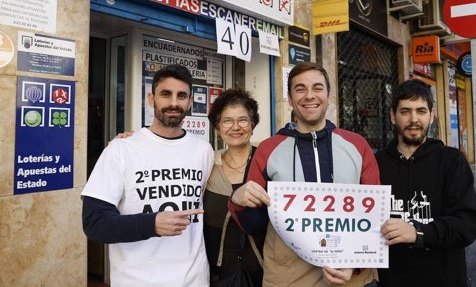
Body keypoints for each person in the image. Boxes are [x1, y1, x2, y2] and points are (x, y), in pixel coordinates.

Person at [228, 61, 380, 287]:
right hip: (289, 277)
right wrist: (238, 201)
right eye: (300, 89)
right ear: (289, 98)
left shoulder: (357, 145)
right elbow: (254, 225)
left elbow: (375, 215)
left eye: (317, 88)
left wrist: (356, 264)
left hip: (352, 277)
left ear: (329, 94)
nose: (310, 96)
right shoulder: (269, 150)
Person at [81, 64, 214, 287]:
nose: (174, 102)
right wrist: (151, 224)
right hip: (136, 280)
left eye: (181, 96)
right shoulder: (121, 149)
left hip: (194, 279)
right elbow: (94, 223)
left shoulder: (204, 150)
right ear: (151, 99)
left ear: (190, 102)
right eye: (165, 94)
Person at [377, 79, 476, 287]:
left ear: (431, 116)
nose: (414, 119)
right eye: (405, 111)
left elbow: (466, 225)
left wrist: (417, 232)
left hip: (443, 279)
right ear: (392, 116)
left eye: (421, 111)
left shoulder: (451, 161)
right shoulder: (376, 163)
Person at [204, 88, 264, 286]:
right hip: (217, 275)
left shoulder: (267, 162)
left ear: (253, 124)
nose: (235, 127)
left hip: (263, 273)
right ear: (218, 127)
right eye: (227, 121)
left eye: (243, 120)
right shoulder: (206, 164)